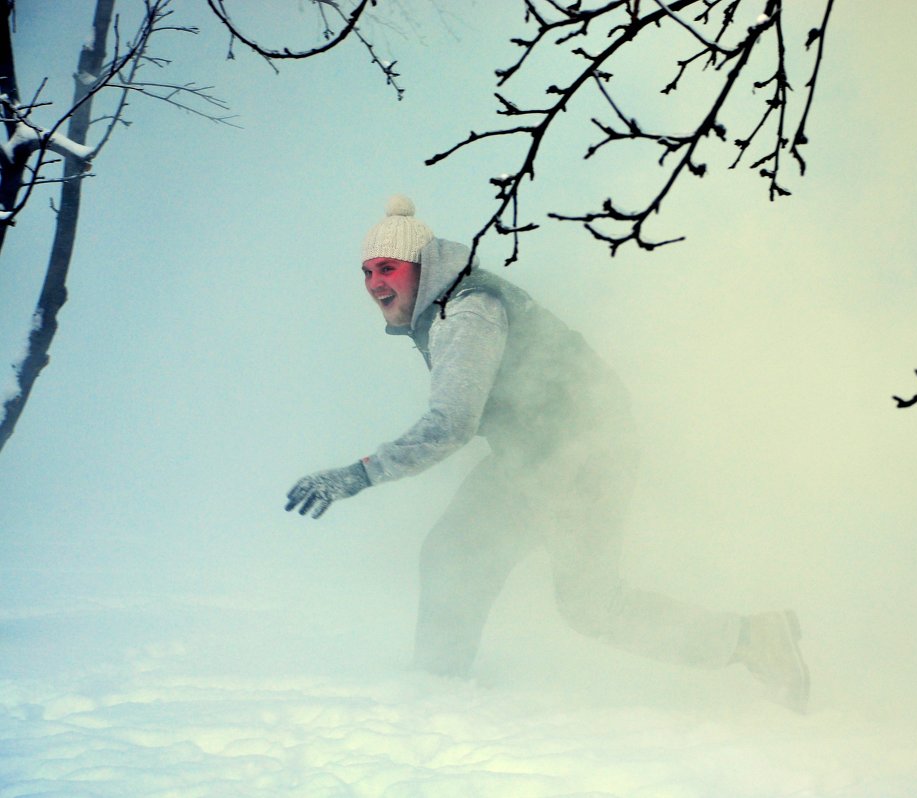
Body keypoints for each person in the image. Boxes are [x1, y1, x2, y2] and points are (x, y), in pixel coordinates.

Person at [285, 195, 810, 712]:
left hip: (580, 450)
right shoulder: (450, 306)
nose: (375, 282)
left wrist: (360, 475)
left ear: (422, 266)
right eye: (367, 271)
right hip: (542, 451)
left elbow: (451, 423)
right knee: (462, 555)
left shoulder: (467, 312)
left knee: (580, 599)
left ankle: (435, 694)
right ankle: (437, 688)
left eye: (388, 268)